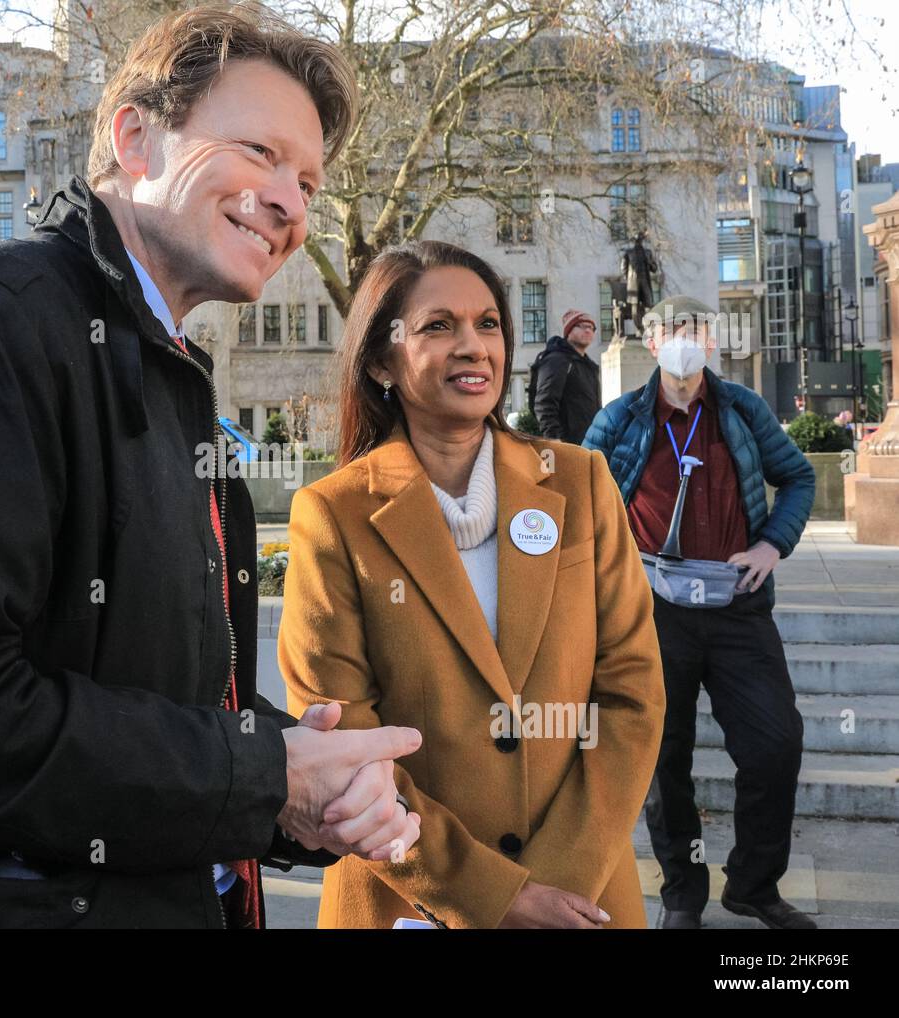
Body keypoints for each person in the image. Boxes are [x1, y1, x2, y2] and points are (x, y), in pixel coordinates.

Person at [0, 4, 421, 930]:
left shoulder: (170, 376)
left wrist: (304, 779)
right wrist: (258, 775)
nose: (290, 201)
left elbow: (161, 694)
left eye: (310, 182)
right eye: (259, 152)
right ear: (134, 137)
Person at [278, 240, 666, 929]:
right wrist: (495, 898)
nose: (474, 346)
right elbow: (345, 749)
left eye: (488, 324)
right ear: (379, 361)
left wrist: (555, 886)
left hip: (583, 897)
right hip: (409, 901)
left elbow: (631, 696)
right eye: (438, 326)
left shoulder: (581, 483)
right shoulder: (333, 516)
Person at [583, 294, 817, 929]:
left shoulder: (743, 410)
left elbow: (798, 477)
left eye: (695, 331)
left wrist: (773, 544)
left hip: (739, 605)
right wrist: (613, 575)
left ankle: (753, 885)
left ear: (711, 344)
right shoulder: (621, 419)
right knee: (663, 757)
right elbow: (578, 500)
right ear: (652, 343)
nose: (684, 340)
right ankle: (682, 893)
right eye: (671, 331)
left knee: (775, 744)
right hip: (653, 611)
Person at [530, 310, 602, 444]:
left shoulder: (589, 365)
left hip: (588, 442)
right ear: (568, 331)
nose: (588, 331)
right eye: (582, 326)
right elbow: (544, 402)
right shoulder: (557, 360)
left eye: (591, 328)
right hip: (567, 444)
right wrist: (553, 437)